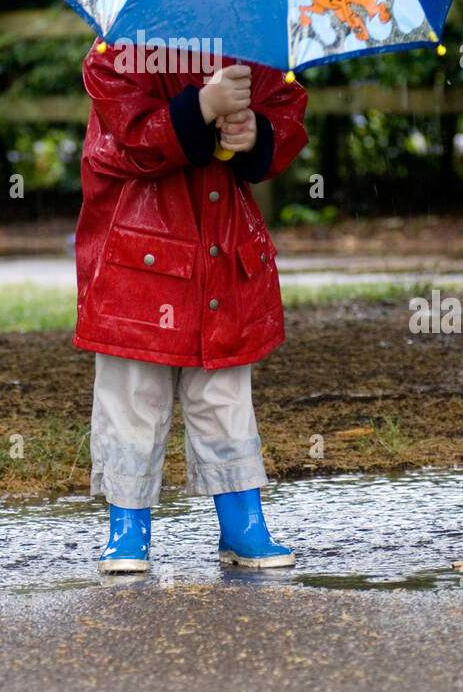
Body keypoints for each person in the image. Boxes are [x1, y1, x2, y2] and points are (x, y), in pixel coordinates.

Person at [73, 39, 309, 572]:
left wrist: (256, 135)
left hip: (220, 256)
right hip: (139, 260)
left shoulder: (254, 47)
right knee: (132, 393)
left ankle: (242, 523)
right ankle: (126, 526)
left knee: (224, 390)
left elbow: (286, 107)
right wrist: (201, 106)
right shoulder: (118, 51)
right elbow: (131, 139)